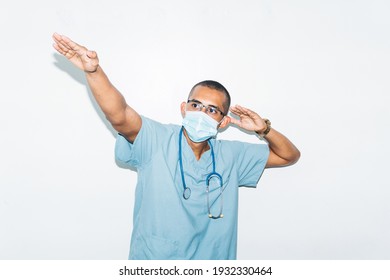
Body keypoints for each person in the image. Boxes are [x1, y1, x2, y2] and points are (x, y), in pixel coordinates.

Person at [52, 33, 300, 260]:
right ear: (184, 108)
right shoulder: (156, 139)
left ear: (224, 122)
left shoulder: (232, 155)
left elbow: (289, 155)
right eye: (196, 105)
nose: (202, 113)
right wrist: (94, 72)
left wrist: (263, 129)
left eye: (212, 110)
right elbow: (119, 115)